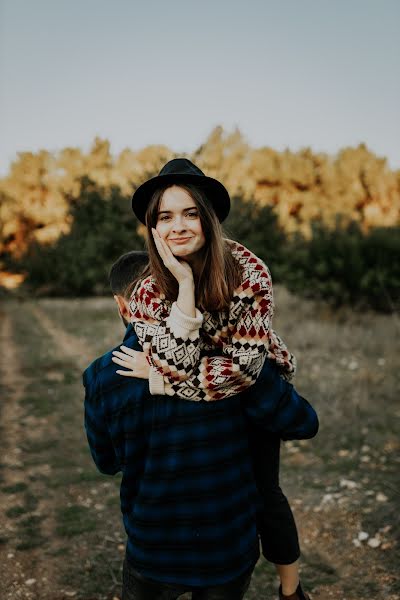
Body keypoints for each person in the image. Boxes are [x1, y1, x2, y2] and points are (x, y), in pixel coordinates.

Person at [111, 159, 316, 600]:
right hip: (218, 378)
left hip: (255, 376)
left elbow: (242, 370)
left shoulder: (249, 272)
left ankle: (291, 589)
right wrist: (183, 287)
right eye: (165, 217)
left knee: (266, 491)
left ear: (209, 217)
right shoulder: (146, 292)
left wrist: (163, 377)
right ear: (151, 227)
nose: (178, 226)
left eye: (190, 213)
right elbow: (181, 361)